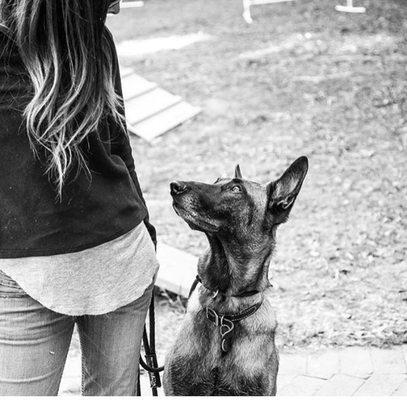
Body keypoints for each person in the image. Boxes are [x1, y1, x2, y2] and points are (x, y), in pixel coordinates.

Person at [0, 0, 159, 395]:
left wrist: (146, 228)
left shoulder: (97, 42)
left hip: (120, 262)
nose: (119, 4)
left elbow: (118, 144)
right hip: (28, 276)